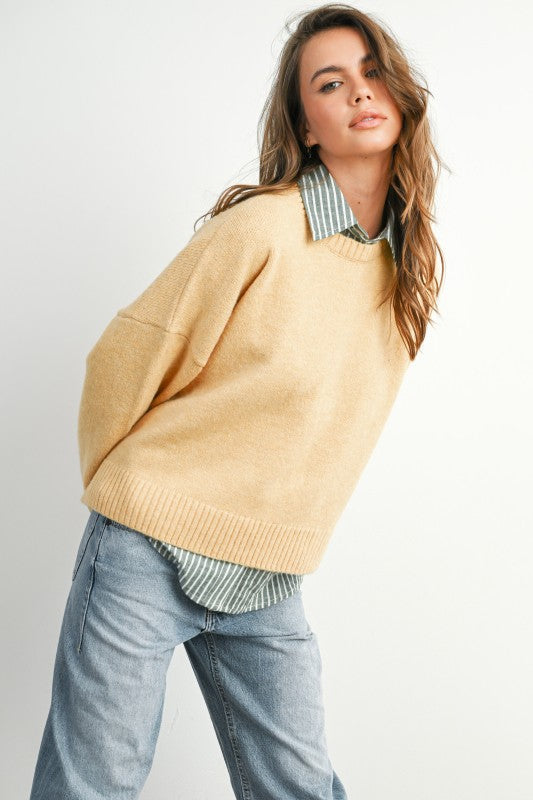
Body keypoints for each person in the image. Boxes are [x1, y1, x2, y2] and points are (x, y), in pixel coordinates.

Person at [29, 4, 446, 799]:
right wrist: (128, 498)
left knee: (299, 787)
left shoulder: (406, 267)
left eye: (371, 72)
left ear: (399, 92)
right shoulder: (261, 229)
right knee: (93, 786)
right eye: (330, 83)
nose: (359, 92)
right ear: (307, 126)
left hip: (267, 573)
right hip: (146, 549)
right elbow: (123, 356)